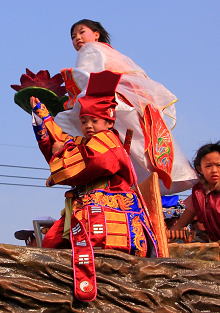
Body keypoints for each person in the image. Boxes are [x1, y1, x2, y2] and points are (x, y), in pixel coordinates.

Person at [30, 70, 160, 301]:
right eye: (83, 121)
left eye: (94, 121)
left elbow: (90, 160)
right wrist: (44, 118)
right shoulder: (88, 141)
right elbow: (61, 144)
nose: (88, 125)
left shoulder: (108, 140)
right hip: (81, 211)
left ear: (109, 121)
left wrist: (62, 148)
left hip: (106, 211)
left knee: (86, 254)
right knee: (49, 245)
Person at [54, 20, 198, 194]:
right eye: (73, 36)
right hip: (133, 105)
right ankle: (153, 180)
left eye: (81, 32)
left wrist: (70, 104)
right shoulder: (112, 52)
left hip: (113, 102)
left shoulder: (89, 49)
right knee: (140, 148)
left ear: (96, 34)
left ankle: (127, 185)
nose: (77, 38)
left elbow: (86, 81)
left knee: (100, 143)